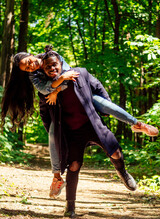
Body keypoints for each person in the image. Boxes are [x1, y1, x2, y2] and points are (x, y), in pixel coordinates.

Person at [1, 48, 159, 200]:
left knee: (106, 105)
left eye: (29, 61)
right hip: (60, 110)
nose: (31, 66)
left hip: (81, 96)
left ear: (30, 54)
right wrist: (56, 88)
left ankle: (137, 124)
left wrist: (55, 88)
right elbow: (45, 89)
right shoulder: (34, 76)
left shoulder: (52, 55)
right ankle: (57, 177)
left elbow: (72, 77)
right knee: (52, 134)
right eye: (27, 68)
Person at [34, 50, 156, 218]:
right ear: (44, 71)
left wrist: (105, 107)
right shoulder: (47, 90)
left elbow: (97, 86)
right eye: (47, 67)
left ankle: (123, 173)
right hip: (72, 133)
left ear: (61, 63)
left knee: (115, 152)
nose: (52, 68)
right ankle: (70, 207)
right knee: (74, 166)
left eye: (54, 64)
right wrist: (53, 132)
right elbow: (44, 113)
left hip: (92, 123)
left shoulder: (80, 73)